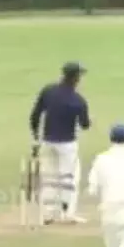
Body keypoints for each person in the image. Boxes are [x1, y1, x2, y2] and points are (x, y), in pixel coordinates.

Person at [28, 61, 91, 224]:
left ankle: (47, 214)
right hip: (67, 144)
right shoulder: (78, 100)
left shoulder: (48, 91)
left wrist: (35, 138)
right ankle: (67, 212)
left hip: (47, 141)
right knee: (69, 178)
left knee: (49, 177)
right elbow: (85, 124)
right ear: (76, 78)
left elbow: (35, 115)